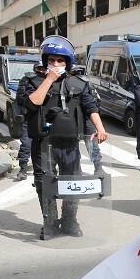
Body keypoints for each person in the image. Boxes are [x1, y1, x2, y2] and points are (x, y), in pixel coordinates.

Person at [22, 35, 108, 239]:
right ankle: (49, 223)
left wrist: (100, 128)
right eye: (51, 60)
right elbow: (32, 103)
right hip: (43, 143)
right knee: (45, 184)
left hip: (69, 144)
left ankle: (69, 220)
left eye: (60, 61)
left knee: (72, 182)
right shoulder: (32, 81)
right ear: (45, 61)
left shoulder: (78, 83)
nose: (56, 64)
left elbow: (90, 107)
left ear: (67, 62)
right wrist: (49, 79)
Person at [13, 61, 46, 182]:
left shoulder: (51, 80)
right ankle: (23, 168)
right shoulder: (27, 80)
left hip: (46, 117)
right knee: (26, 142)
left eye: (44, 68)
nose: (42, 71)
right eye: (40, 68)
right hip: (31, 116)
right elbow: (20, 98)